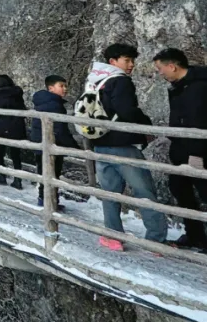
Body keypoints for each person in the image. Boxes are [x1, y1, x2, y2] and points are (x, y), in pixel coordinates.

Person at [85, 43, 167, 251]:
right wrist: (145, 123)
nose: (131, 65)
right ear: (113, 62)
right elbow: (127, 110)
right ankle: (156, 240)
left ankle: (112, 236)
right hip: (123, 144)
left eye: (132, 60)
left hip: (100, 144)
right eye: (126, 60)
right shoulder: (120, 81)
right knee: (144, 191)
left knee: (110, 193)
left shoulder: (95, 80)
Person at [153, 48, 207, 250]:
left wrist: (197, 154)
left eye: (160, 69)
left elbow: (200, 122)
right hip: (181, 150)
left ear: (172, 66)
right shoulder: (180, 85)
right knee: (180, 189)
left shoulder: (198, 87)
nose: (160, 73)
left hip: (198, 152)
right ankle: (195, 235)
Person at [31, 75, 74, 210]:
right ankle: (49, 202)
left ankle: (44, 199)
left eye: (65, 86)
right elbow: (60, 129)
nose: (65, 89)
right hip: (51, 144)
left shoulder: (43, 102)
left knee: (45, 172)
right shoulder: (55, 105)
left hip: (40, 142)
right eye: (61, 86)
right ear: (51, 88)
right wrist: (74, 147)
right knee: (53, 173)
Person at [0, 75, 27, 189]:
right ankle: (18, 179)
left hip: (3, 126)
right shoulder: (17, 93)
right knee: (16, 154)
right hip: (18, 127)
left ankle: (1, 175)